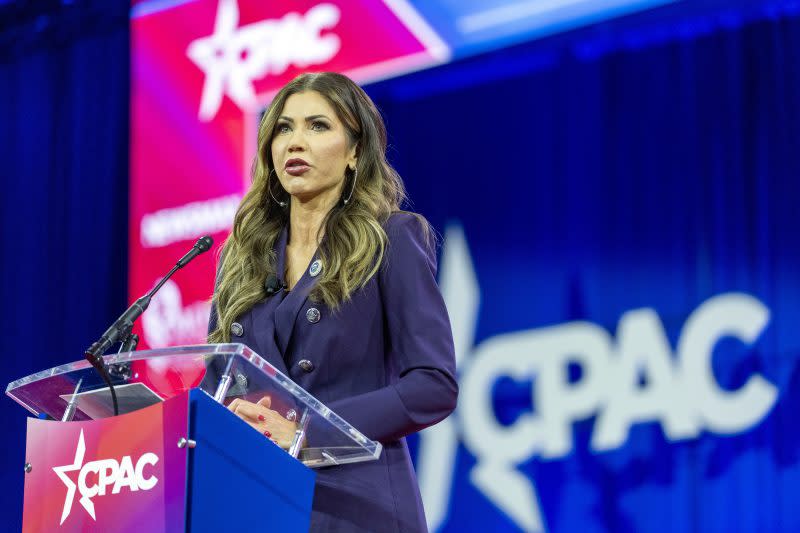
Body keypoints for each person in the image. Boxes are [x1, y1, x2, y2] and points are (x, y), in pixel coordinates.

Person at [207, 71, 458, 532]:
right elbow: (220, 391)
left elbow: (433, 384)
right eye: (283, 128)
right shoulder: (239, 262)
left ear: (355, 152)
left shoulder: (392, 239)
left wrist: (307, 429)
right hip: (261, 508)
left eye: (317, 126)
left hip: (358, 509)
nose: (294, 142)